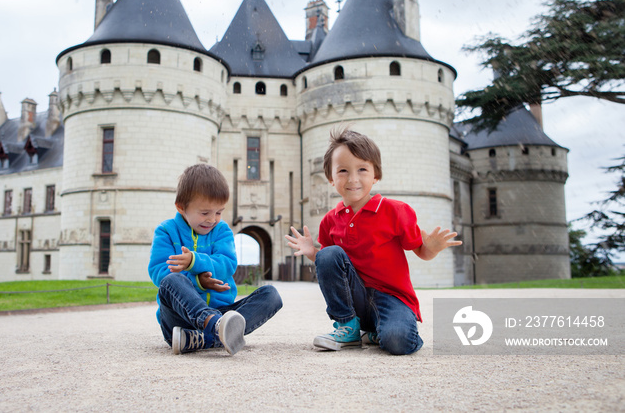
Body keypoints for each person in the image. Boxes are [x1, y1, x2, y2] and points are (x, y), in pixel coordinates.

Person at [285, 127, 462, 355]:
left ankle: (377, 332)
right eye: (343, 171)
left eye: (362, 169)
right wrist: (312, 252)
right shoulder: (330, 220)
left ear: (375, 175)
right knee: (328, 254)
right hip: (355, 299)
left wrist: (433, 248)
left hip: (392, 297)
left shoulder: (396, 211)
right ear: (330, 178)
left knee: (398, 343)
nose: (353, 179)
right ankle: (347, 326)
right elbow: (330, 266)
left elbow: (421, 250)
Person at [148, 163, 282, 355]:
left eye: (219, 212)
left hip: (221, 312)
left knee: (271, 295)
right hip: (179, 322)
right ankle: (216, 328)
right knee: (171, 280)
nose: (212, 219)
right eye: (204, 213)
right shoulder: (166, 231)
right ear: (181, 207)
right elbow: (160, 273)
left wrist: (195, 261)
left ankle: (208, 336)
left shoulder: (222, 231)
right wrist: (198, 281)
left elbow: (227, 264)